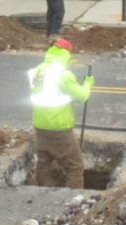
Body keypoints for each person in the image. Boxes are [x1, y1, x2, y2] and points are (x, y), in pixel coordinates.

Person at [27, 38, 94, 188]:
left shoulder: (36, 71)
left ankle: (45, 193)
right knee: (75, 167)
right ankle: (72, 199)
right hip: (59, 128)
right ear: (65, 56)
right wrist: (88, 83)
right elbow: (82, 96)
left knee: (43, 163)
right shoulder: (63, 75)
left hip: (40, 125)